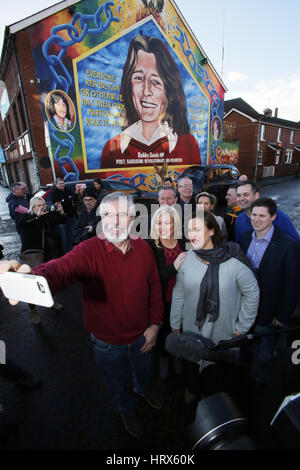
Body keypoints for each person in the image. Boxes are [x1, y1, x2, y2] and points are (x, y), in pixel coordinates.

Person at [0, 193, 164, 439]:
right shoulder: (89, 249)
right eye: (107, 215)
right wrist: (33, 276)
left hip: (143, 335)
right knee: (117, 383)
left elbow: (154, 288)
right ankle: (125, 409)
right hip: (107, 343)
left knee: (143, 372)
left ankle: (142, 389)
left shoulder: (143, 248)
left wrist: (155, 325)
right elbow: (63, 267)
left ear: (132, 218)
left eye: (120, 215)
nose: (114, 222)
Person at [170, 210, 260, 402]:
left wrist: (242, 326)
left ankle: (212, 400)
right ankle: (193, 390)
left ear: (211, 231)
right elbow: (179, 292)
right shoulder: (187, 258)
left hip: (223, 331)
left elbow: (252, 292)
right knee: (192, 364)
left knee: (217, 373)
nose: (191, 234)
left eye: (196, 229)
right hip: (192, 329)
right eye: (188, 230)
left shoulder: (233, 259)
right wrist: (175, 322)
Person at [100, 35, 201, 169]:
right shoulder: (112, 149)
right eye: (139, 78)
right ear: (128, 85)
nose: (146, 91)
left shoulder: (188, 144)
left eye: (156, 81)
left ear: (169, 91)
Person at [239, 198, 300, 392]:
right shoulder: (246, 237)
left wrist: (282, 316)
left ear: (273, 217)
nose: (256, 219)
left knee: (265, 354)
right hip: (245, 310)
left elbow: (292, 284)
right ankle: (246, 379)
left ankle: (261, 386)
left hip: (269, 314)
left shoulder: (288, 246)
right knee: (247, 347)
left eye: (262, 216)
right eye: (254, 215)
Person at [147, 205, 186, 379]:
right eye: (158, 223)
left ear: (175, 224)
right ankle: (163, 359)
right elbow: (155, 277)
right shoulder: (152, 246)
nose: (162, 228)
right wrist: (175, 266)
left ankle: (177, 357)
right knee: (163, 334)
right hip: (164, 300)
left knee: (181, 331)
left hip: (185, 300)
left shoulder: (184, 241)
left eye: (167, 223)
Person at [19, 197, 66, 323]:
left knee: (50, 278)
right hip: (32, 255)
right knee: (32, 283)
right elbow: (25, 226)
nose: (42, 207)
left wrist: (61, 211)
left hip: (47, 253)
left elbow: (62, 220)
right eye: (39, 205)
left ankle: (52, 301)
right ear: (33, 207)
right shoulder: (27, 218)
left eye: (43, 205)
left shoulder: (46, 216)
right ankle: (33, 310)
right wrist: (38, 217)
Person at [235, 180, 300, 244]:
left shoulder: (278, 216)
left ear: (256, 195)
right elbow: (240, 245)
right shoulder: (239, 220)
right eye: (238, 195)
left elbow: (296, 243)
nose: (241, 198)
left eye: (246, 195)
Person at [50, 178, 78, 253]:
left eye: (63, 183)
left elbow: (74, 198)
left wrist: (65, 200)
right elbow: (58, 204)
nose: (62, 185)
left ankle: (74, 251)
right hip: (62, 219)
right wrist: (68, 200)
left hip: (71, 216)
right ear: (56, 184)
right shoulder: (54, 193)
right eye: (60, 183)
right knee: (65, 236)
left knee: (73, 234)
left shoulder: (68, 190)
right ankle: (67, 252)